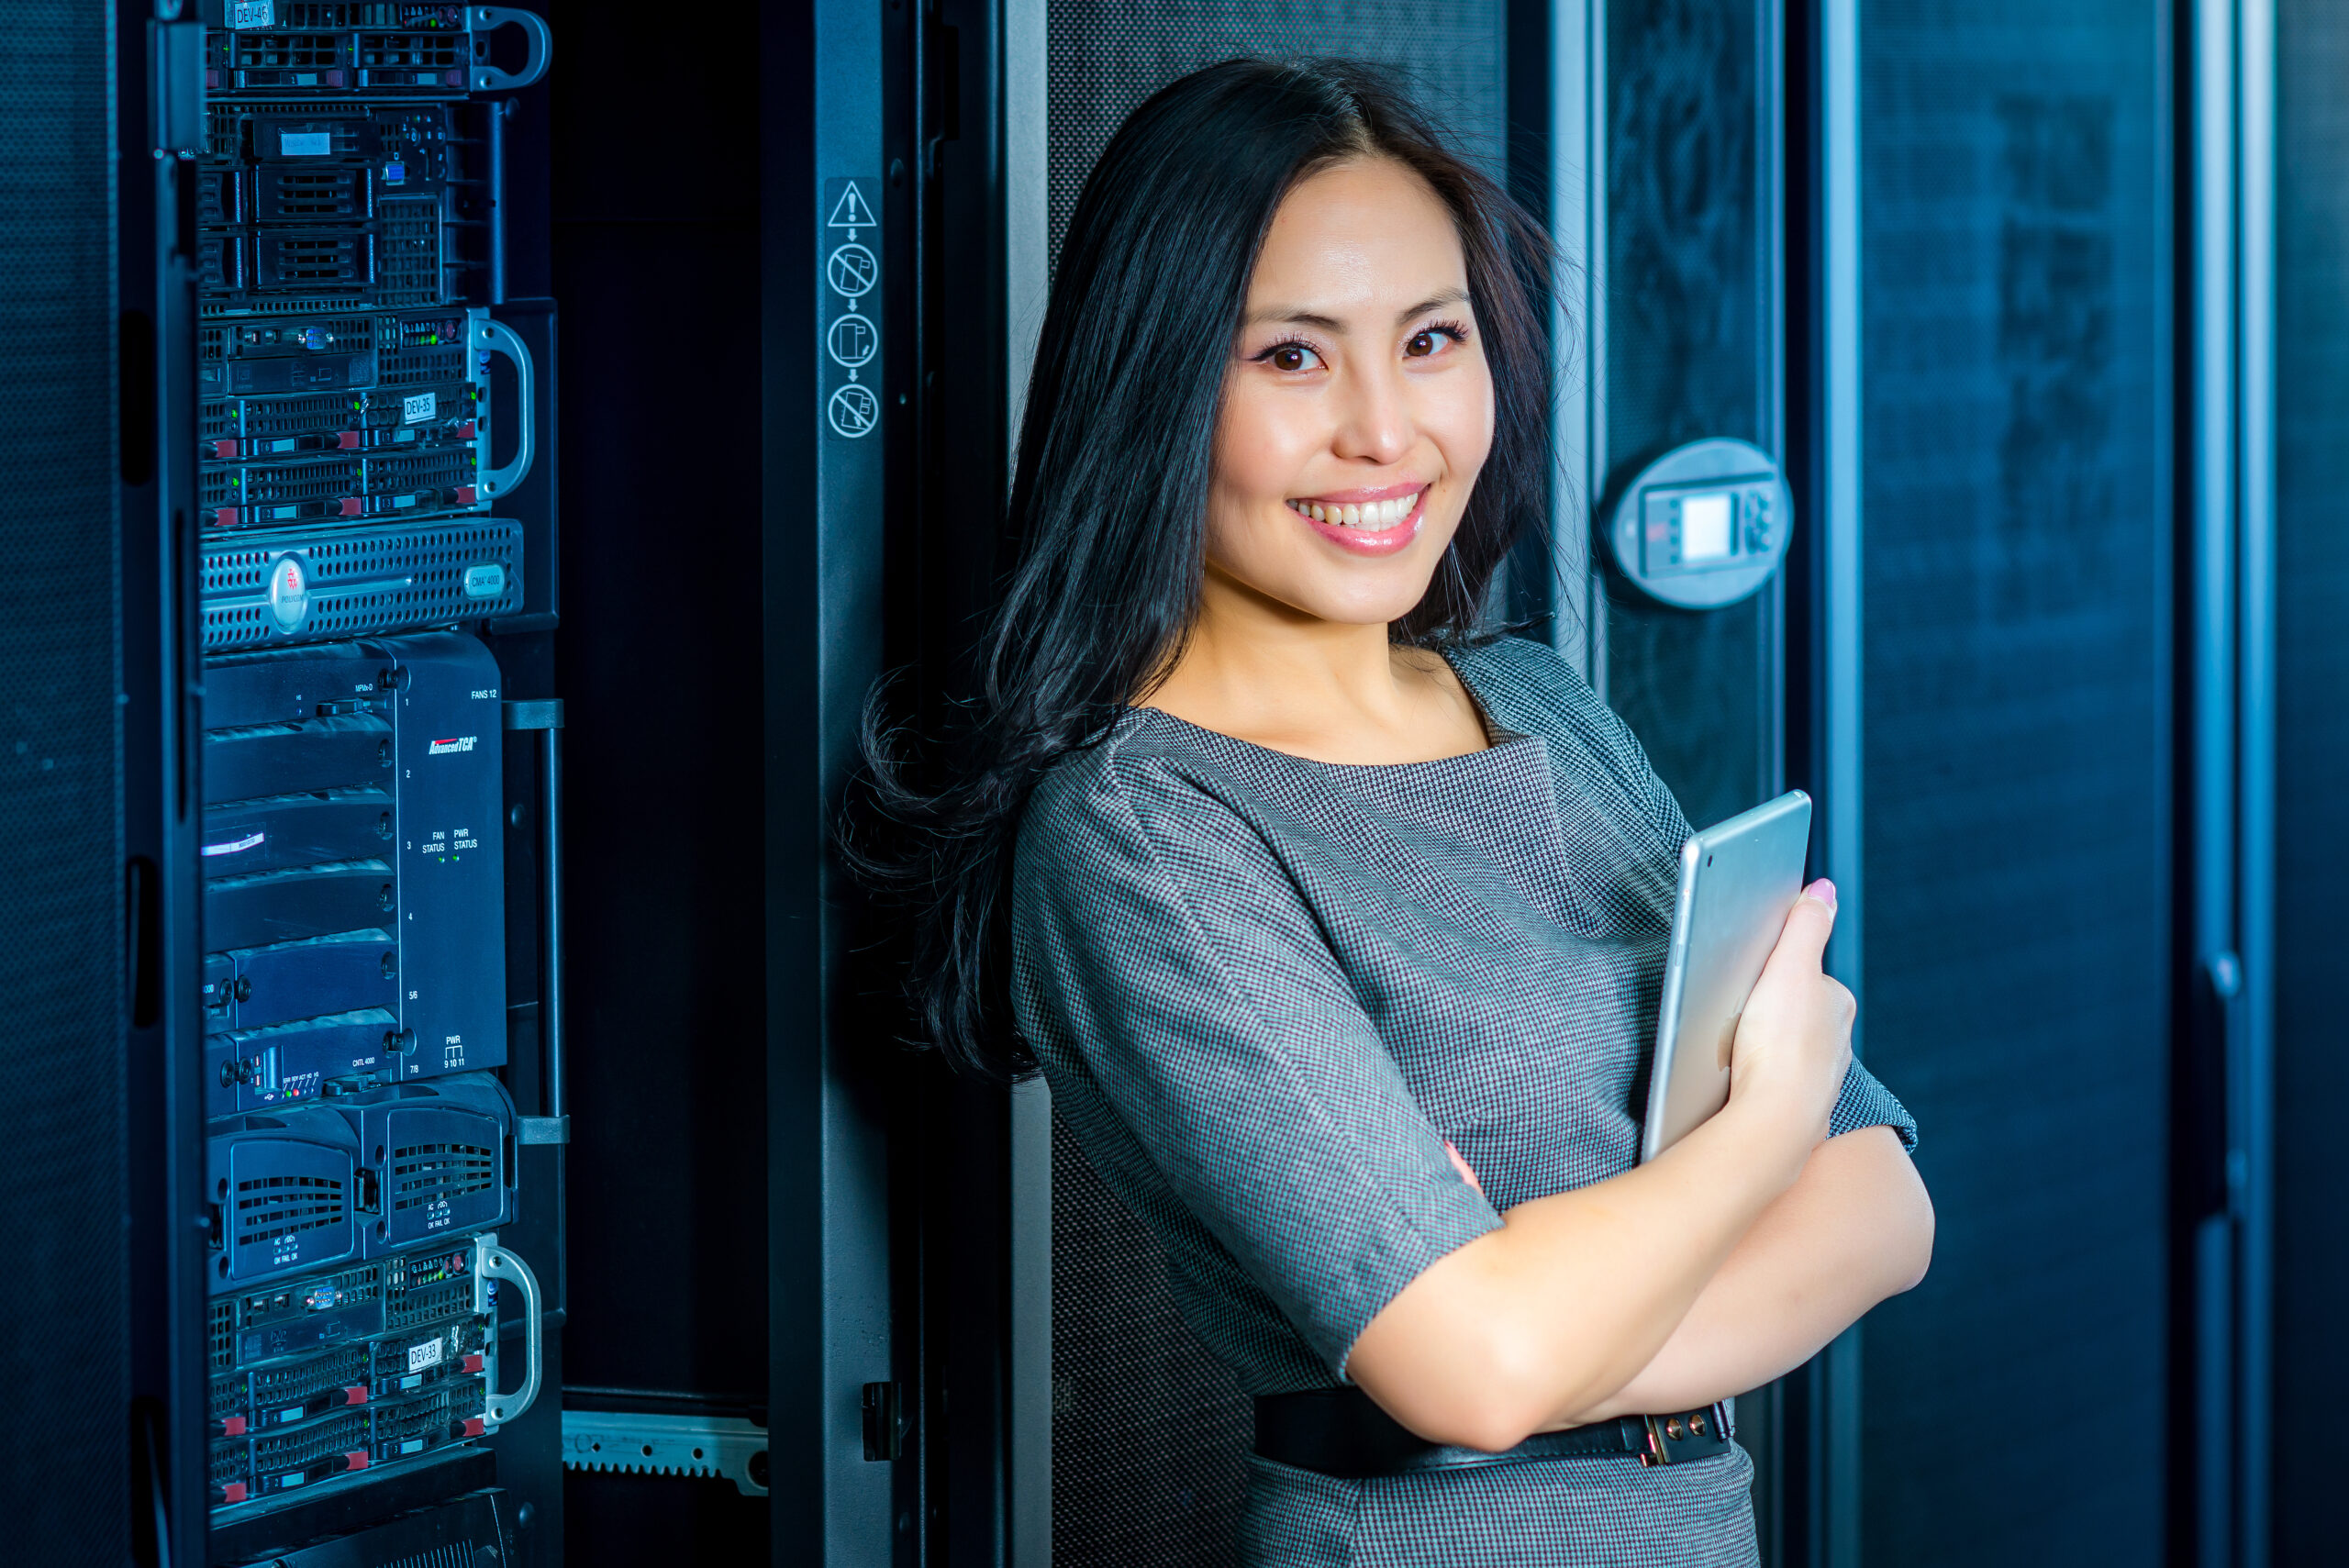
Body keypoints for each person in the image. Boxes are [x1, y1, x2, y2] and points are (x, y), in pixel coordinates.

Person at [858, 56, 1933, 1567]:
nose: (1385, 429)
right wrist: (1762, 1127)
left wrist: (1526, 1315)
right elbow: (1473, 1366)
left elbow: (1886, 1209)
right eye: (1293, 359)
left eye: (1432, 339)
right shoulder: (1141, 831)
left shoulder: (1537, 701)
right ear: (1155, 386)